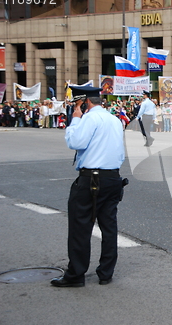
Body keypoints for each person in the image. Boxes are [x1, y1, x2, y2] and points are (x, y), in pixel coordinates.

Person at [51, 86, 126, 288]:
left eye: (78, 104)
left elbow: (75, 142)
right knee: (109, 226)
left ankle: (76, 274)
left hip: (92, 178)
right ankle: (106, 273)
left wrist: (75, 119)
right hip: (113, 178)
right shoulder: (114, 120)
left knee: (80, 227)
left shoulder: (90, 118)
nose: (77, 108)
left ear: (85, 102)